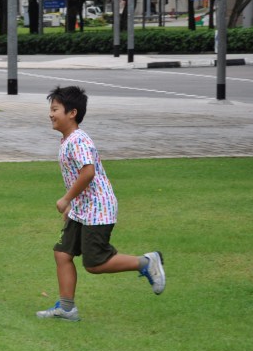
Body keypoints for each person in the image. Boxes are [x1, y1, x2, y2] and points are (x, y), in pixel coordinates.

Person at [36, 86, 165, 322]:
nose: (50, 114)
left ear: (72, 113)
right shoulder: (69, 140)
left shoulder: (79, 140)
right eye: (50, 109)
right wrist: (72, 206)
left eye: (55, 109)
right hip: (82, 209)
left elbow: (88, 172)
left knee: (95, 263)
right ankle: (67, 308)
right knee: (62, 253)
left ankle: (146, 262)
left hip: (98, 210)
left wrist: (66, 199)